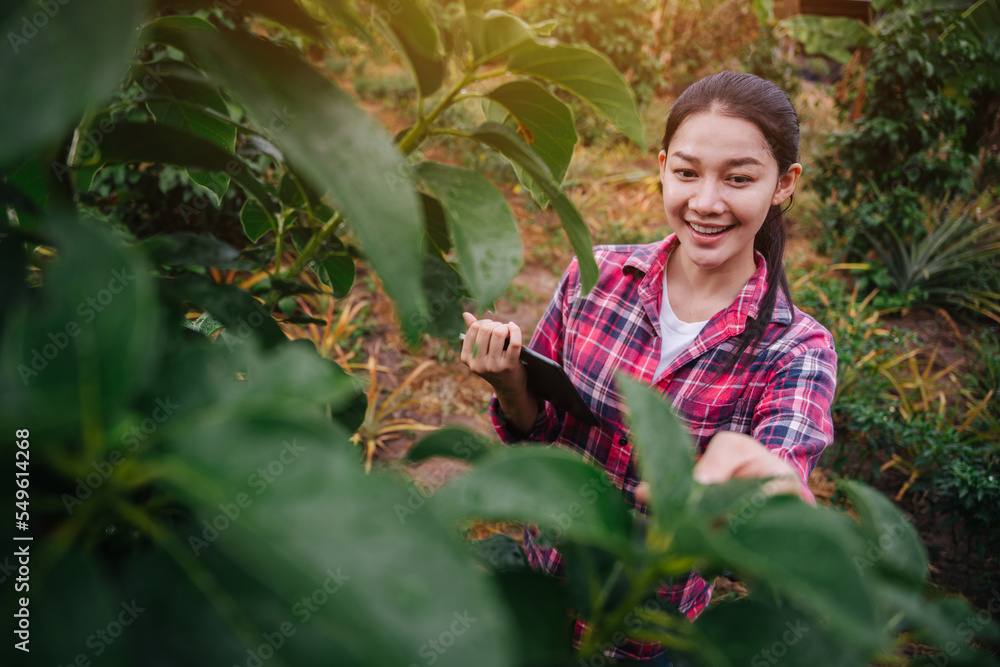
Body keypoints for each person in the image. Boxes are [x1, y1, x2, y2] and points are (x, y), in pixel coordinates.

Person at [460, 70, 837, 665]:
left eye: (739, 179)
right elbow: (544, 433)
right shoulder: (595, 276)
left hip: (642, 641)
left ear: (784, 184)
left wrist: (766, 500)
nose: (706, 202)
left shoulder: (796, 350)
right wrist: (510, 386)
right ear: (662, 166)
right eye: (686, 172)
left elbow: (780, 481)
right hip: (536, 604)